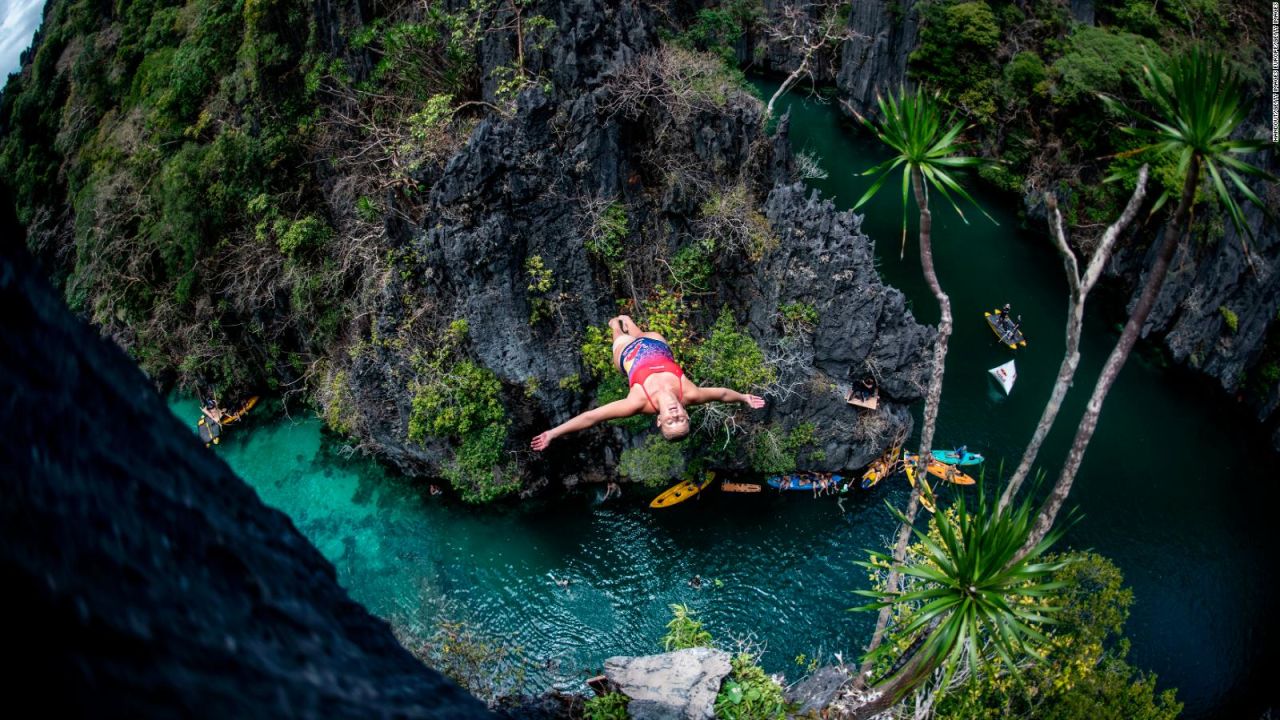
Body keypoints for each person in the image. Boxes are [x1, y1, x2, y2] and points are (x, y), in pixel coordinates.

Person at [530, 314, 766, 450]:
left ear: (659, 420)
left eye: (670, 422)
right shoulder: (691, 394)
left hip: (627, 355)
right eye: (680, 419)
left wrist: (553, 433)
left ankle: (615, 325)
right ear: (686, 413)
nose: (674, 416)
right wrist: (744, 397)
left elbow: (592, 417)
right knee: (638, 329)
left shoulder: (637, 402)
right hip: (657, 346)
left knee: (619, 333)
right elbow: (723, 394)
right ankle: (627, 319)